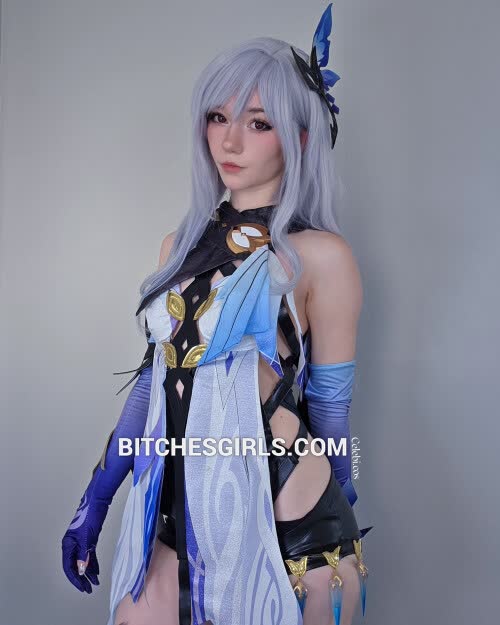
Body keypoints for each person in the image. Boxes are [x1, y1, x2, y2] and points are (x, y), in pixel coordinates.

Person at [61, 4, 372, 624]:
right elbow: (153, 383)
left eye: (259, 123)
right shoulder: (176, 249)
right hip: (175, 499)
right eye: (218, 117)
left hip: (287, 512)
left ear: (299, 137)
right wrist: (97, 496)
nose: (230, 141)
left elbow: (332, 407)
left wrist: (342, 487)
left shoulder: (321, 257)